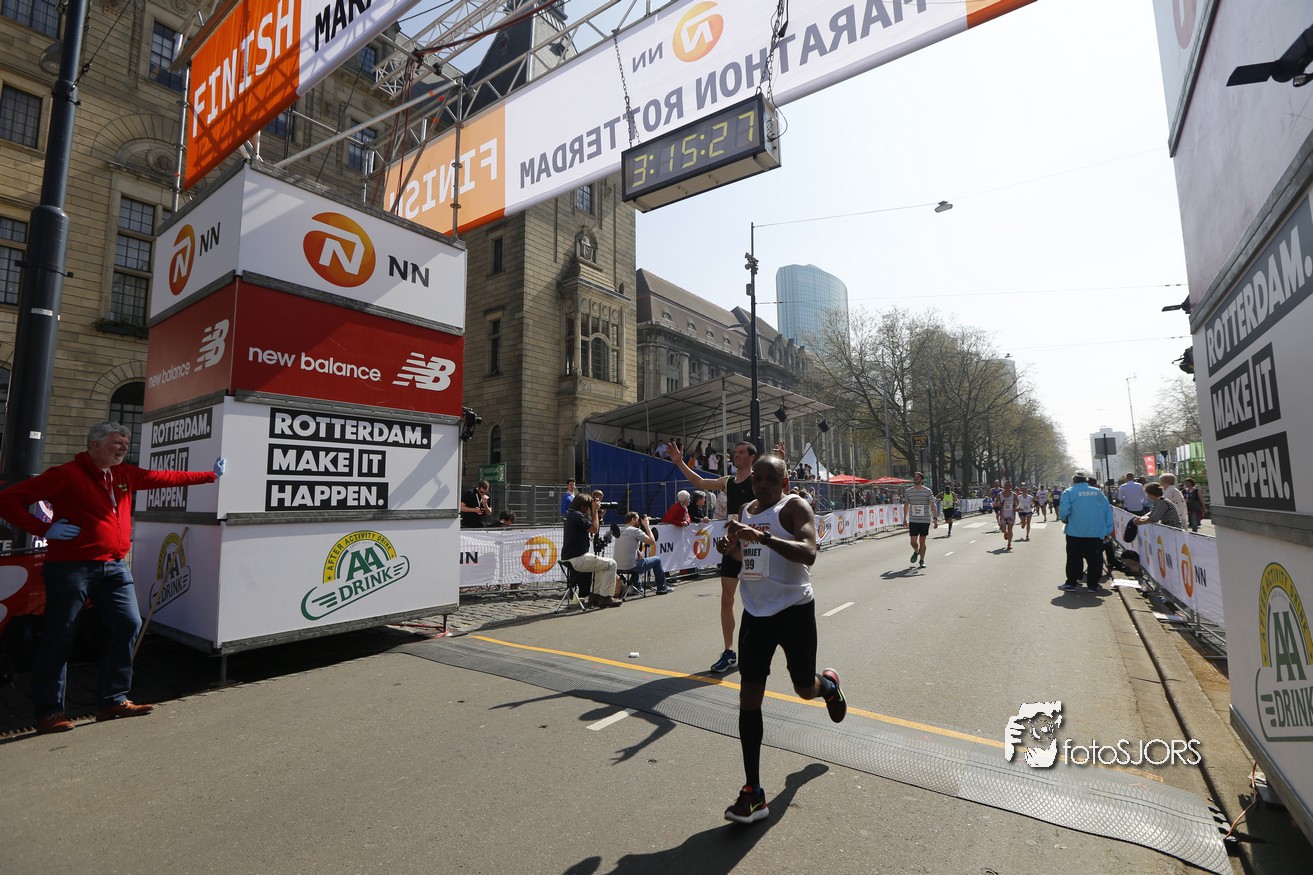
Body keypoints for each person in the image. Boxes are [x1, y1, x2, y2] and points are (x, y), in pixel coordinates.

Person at [0, 421, 226, 734]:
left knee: (128, 624)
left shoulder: (124, 474)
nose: (124, 447)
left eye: (126, 443)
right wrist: (44, 528)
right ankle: (49, 712)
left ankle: (113, 699)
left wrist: (210, 476)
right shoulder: (65, 475)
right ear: (95, 444)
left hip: (114, 566)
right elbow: (7, 500)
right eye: (117, 442)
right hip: (71, 568)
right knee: (60, 636)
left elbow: (165, 478)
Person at [719, 454, 846, 824]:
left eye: (769, 480)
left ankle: (828, 687)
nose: (761, 485)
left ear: (784, 482)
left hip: (793, 610)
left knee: (804, 688)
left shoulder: (794, 507)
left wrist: (762, 535)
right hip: (755, 613)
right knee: (748, 698)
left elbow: (809, 553)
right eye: (756, 479)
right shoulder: (746, 510)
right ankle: (753, 792)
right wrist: (732, 549)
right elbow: (747, 555)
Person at [668, 439, 765, 674]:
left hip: (754, 547)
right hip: (731, 546)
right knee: (726, 599)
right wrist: (680, 463)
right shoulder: (728, 481)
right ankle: (729, 651)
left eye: (741, 452)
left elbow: (779, 497)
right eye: (735, 452)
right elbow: (699, 482)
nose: (736, 455)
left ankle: (756, 648)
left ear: (752, 457)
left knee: (756, 602)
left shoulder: (758, 480)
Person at [1057, 472, 1115, 592]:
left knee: (1073, 558)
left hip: (1075, 532)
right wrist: (1107, 530)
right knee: (1094, 560)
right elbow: (1107, 511)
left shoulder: (1069, 492)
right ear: (1085, 481)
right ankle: (1093, 585)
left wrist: (1064, 518)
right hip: (1095, 532)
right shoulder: (1097, 492)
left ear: (1074, 481)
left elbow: (1064, 510)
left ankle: (1071, 583)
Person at [561, 493, 620, 607]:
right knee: (612, 564)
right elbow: (594, 529)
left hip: (570, 558)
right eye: (588, 506)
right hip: (578, 558)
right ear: (583, 506)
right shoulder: (578, 516)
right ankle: (605, 597)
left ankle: (595, 596)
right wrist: (595, 511)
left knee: (601, 566)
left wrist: (595, 512)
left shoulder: (571, 515)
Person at [614, 511, 671, 594]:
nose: (639, 521)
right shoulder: (635, 531)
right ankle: (662, 588)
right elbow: (652, 541)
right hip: (631, 567)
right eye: (638, 519)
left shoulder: (620, 530)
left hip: (617, 567)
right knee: (657, 559)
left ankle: (637, 587)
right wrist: (647, 526)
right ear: (633, 520)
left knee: (637, 559)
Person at [902, 471, 938, 569]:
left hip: (925, 520)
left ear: (922, 480)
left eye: (918, 477)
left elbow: (932, 505)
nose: (916, 478)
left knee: (922, 542)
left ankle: (922, 560)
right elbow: (906, 505)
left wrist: (935, 518)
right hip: (913, 520)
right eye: (915, 477)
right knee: (913, 541)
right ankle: (916, 551)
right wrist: (904, 518)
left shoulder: (927, 491)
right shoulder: (908, 491)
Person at [997, 480, 1018, 550]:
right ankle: (1005, 532)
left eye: (1009, 485)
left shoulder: (1014, 495)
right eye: (1006, 485)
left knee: (1010, 529)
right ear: (1004, 486)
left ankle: (1009, 544)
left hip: (1011, 514)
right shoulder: (1000, 494)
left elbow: (1019, 503)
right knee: (1003, 530)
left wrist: (1017, 507)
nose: (1007, 487)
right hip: (1003, 514)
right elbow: (995, 503)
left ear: (1011, 486)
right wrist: (999, 504)